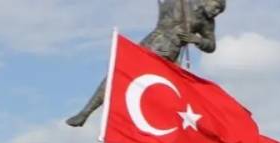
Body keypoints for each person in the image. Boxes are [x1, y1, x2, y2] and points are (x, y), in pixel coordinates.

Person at [65, 0, 226, 127]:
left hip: (171, 55)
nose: (216, 12)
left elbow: (211, 46)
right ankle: (85, 113)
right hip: (151, 45)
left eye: (219, 11)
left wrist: (196, 39)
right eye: (216, 7)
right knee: (118, 75)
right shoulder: (182, 3)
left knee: (168, 96)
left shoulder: (207, 22)